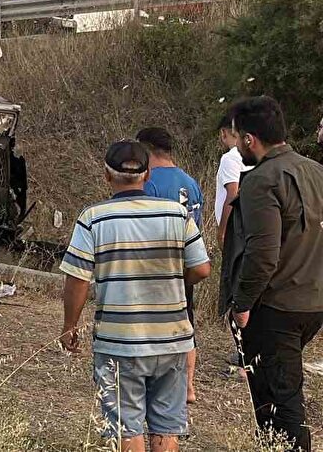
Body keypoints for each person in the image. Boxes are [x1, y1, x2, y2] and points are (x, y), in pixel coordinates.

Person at [60, 140, 210, 452]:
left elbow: (78, 279)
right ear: (147, 176)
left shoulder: (93, 217)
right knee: (167, 426)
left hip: (119, 342)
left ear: (106, 175)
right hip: (173, 339)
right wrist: (173, 281)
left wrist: (69, 326)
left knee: (125, 425)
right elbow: (202, 269)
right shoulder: (178, 214)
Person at [222, 96, 323, 451]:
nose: (236, 145)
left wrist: (241, 302)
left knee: (277, 407)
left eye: (237, 138)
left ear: (249, 139)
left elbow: (262, 253)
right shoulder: (315, 171)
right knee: (283, 394)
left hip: (275, 305)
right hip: (311, 301)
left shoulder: (262, 179)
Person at [136, 126, 205, 405]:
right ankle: (188, 387)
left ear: (146, 150)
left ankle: (149, 381)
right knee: (185, 324)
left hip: (155, 266)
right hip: (186, 264)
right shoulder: (191, 182)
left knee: (148, 327)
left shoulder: (149, 181)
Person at [215, 114, 251, 248]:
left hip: (235, 230)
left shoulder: (229, 158)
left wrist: (223, 231)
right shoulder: (253, 155)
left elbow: (233, 193)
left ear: (223, 133)